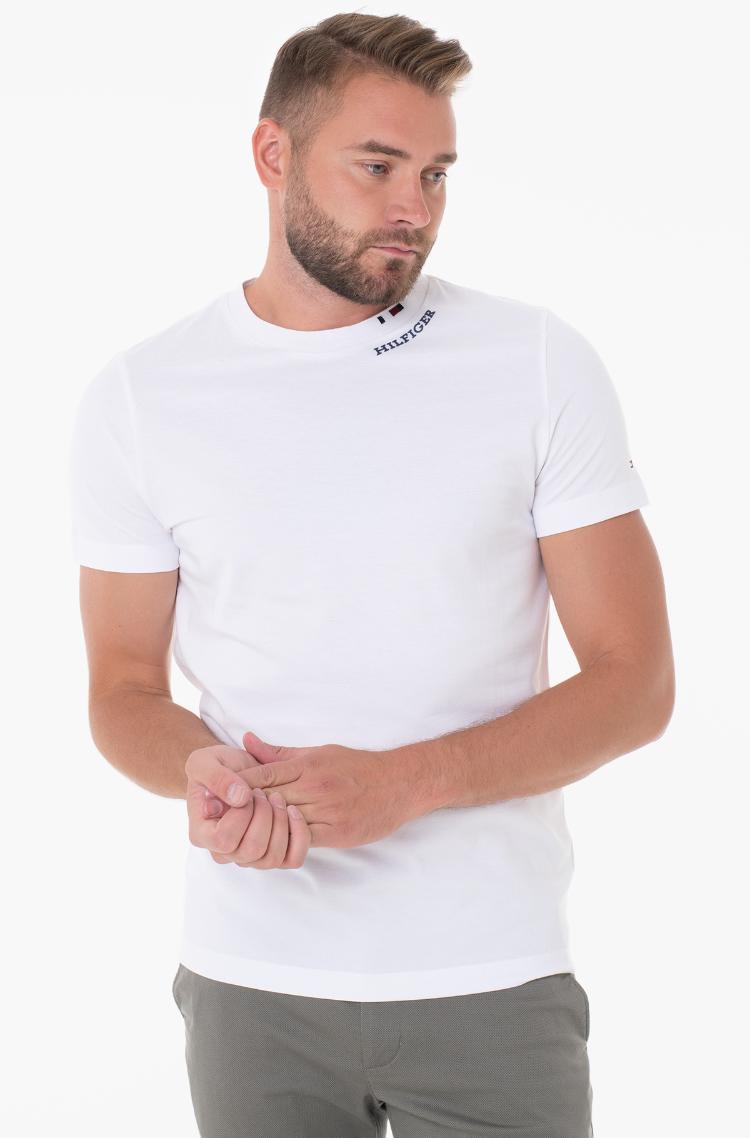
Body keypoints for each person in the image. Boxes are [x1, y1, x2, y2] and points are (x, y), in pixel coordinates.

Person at [68, 11, 674, 1137]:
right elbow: (121, 689)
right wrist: (199, 768)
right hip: (252, 983)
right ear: (274, 154)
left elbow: (635, 683)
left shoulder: (536, 363)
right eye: (379, 166)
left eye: (436, 174)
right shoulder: (142, 398)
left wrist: (407, 783)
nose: (415, 208)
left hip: (490, 978)